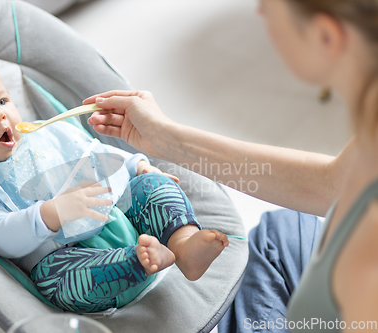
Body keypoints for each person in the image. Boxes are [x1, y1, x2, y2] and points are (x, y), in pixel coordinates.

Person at [84, 0, 378, 330]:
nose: (260, 12)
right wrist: (167, 139)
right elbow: (331, 184)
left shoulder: (365, 268)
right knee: (282, 231)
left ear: (326, 36)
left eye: (268, 3)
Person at [0, 53, 229, 313]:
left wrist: (138, 166)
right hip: (66, 256)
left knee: (151, 185)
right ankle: (139, 263)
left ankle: (183, 243)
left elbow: (97, 154)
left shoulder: (47, 134)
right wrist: (50, 214)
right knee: (57, 282)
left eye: (3, 101)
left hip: (119, 215)